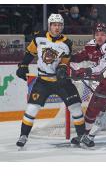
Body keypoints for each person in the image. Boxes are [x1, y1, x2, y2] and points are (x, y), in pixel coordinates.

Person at [16, 13, 85, 147]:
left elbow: (65, 61)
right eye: (54, 25)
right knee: (31, 109)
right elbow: (30, 52)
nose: (57, 28)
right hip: (43, 82)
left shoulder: (67, 43)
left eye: (59, 25)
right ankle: (23, 135)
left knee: (76, 107)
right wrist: (23, 65)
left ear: (62, 26)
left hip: (61, 82)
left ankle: (82, 136)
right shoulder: (39, 38)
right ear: (49, 26)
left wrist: (62, 69)